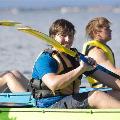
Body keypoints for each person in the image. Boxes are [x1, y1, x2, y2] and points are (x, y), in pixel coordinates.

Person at [31, 19, 120, 109]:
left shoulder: (76, 57)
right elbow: (54, 85)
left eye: (70, 36)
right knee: (96, 96)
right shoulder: (45, 59)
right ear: (53, 37)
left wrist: (87, 66)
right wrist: (81, 68)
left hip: (71, 100)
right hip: (50, 105)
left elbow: (109, 80)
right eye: (63, 35)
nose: (68, 40)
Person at [82, 17, 120, 88]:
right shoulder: (96, 51)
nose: (110, 30)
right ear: (96, 32)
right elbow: (112, 72)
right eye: (107, 28)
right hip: (103, 90)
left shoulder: (101, 48)